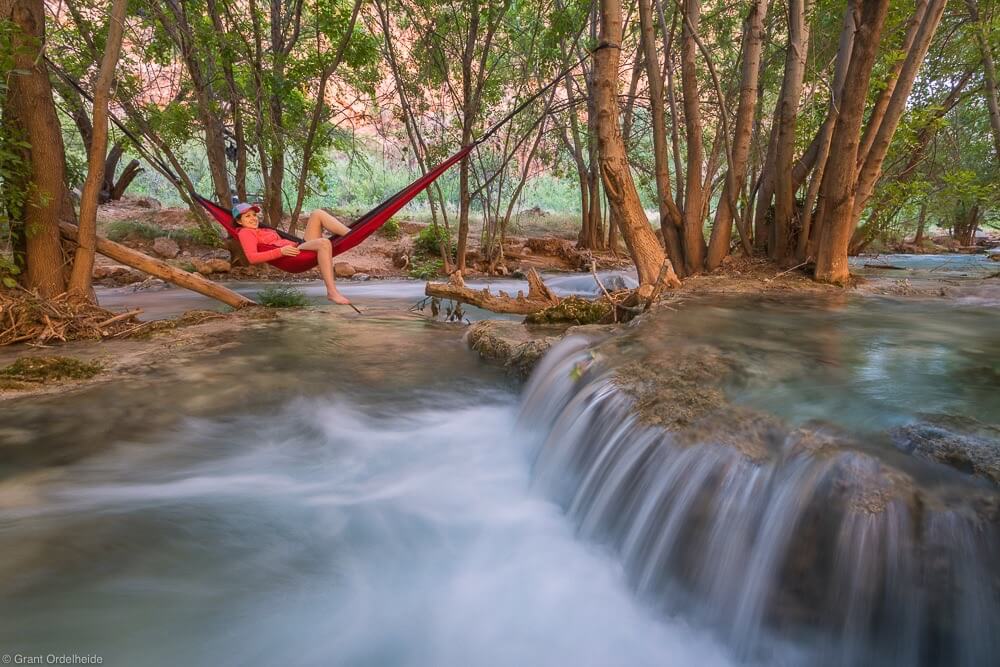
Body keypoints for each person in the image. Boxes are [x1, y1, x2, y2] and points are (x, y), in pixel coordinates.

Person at [232, 203, 352, 305]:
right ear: (238, 221)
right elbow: (252, 258)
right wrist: (280, 251)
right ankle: (332, 292)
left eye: (254, 215)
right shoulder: (246, 233)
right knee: (324, 243)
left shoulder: (260, 230)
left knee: (317, 214)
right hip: (294, 256)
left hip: (298, 247)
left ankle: (353, 234)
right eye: (247, 216)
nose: (253, 218)